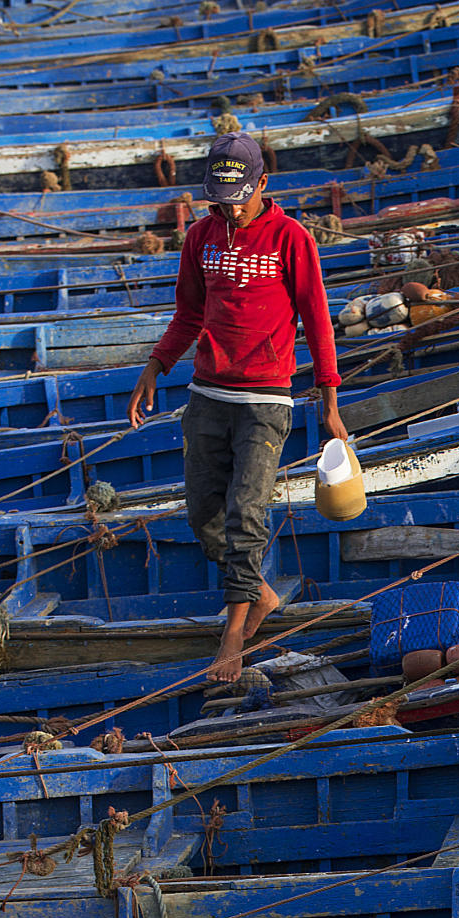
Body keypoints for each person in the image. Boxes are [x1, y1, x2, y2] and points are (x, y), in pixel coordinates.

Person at [128, 133, 348, 683]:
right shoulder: (201, 236)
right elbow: (188, 314)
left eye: (240, 196)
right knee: (204, 516)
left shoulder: (291, 238)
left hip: (266, 399)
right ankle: (260, 594)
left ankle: (233, 632)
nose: (231, 206)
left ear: (263, 185)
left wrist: (329, 401)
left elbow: (318, 321)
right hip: (207, 394)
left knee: (246, 513)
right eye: (222, 196)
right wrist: (156, 365)